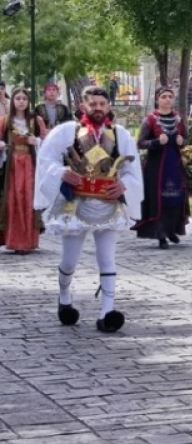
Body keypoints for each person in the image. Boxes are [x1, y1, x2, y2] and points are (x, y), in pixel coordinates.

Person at [35, 86, 143, 333]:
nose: (97, 108)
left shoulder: (120, 134)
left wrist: (124, 185)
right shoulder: (67, 131)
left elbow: (131, 169)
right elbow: (46, 159)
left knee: (107, 258)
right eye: (93, 104)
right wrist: (62, 172)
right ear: (83, 105)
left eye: (102, 104)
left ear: (108, 107)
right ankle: (64, 298)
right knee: (70, 260)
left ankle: (107, 312)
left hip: (107, 204)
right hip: (75, 205)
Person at [133, 87, 190, 249]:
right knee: (159, 198)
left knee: (176, 197)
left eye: (170, 97)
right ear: (157, 99)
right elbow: (141, 143)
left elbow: (186, 139)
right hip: (156, 167)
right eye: (164, 96)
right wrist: (157, 142)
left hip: (174, 164)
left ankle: (172, 229)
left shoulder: (179, 119)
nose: (167, 99)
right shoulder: (150, 120)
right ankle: (161, 234)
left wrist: (182, 142)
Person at [0, 88, 43, 253]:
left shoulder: (35, 120)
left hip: (29, 163)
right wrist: (2, 145)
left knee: (28, 198)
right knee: (14, 198)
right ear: (13, 101)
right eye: (17, 98)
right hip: (12, 164)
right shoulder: (5, 121)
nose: (21, 101)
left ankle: (29, 240)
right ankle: (15, 240)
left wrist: (36, 141)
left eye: (24, 98)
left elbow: (48, 142)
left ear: (28, 101)